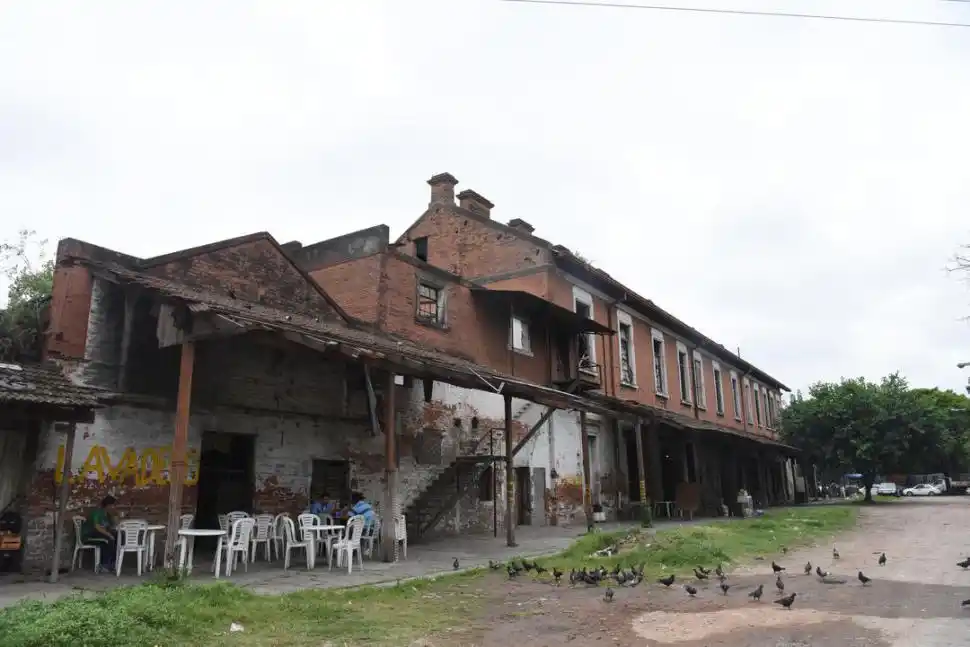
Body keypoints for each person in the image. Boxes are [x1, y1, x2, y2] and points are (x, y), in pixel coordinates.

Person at [82, 495, 117, 572]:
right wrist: (109, 535)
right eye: (113, 505)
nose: (114, 507)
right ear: (108, 505)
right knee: (109, 538)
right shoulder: (97, 513)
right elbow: (97, 527)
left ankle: (113, 563)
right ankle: (104, 565)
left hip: (99, 534)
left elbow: (112, 527)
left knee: (118, 536)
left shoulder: (107, 515)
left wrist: (114, 516)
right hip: (89, 535)